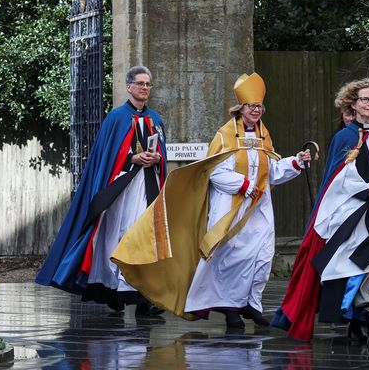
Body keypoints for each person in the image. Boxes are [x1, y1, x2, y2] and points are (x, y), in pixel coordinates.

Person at [111, 73, 311, 329]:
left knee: (262, 257)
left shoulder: (264, 136)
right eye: (252, 106)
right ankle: (230, 309)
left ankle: (252, 304)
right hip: (231, 208)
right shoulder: (225, 135)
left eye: (259, 106)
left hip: (259, 209)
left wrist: (295, 162)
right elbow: (215, 172)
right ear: (241, 108)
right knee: (230, 258)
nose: (256, 111)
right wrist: (244, 184)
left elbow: (271, 170)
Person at [272, 78, 369, 345]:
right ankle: (366, 319)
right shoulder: (345, 136)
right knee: (352, 263)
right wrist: (366, 190)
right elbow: (340, 177)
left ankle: (360, 321)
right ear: (353, 105)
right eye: (365, 99)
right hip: (351, 211)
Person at [36, 65, 167, 316]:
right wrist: (132, 159)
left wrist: (156, 159)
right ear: (129, 87)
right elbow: (109, 156)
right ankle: (113, 290)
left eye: (148, 84)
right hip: (120, 187)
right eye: (140, 84)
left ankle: (142, 297)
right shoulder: (116, 118)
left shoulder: (156, 119)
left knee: (143, 237)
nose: (145, 88)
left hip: (147, 186)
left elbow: (161, 151)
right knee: (116, 236)